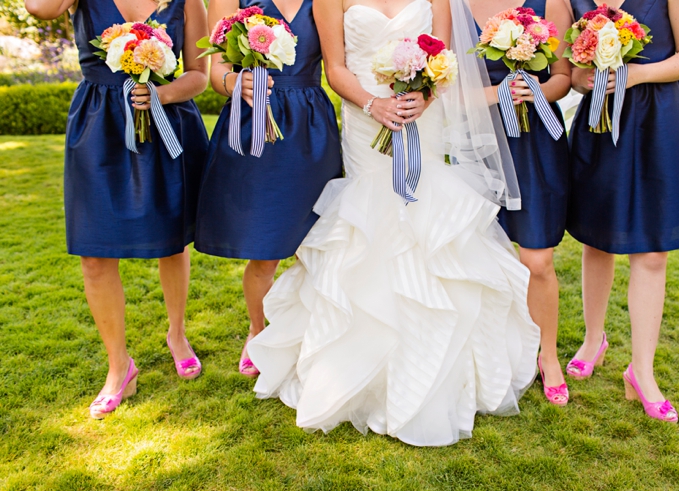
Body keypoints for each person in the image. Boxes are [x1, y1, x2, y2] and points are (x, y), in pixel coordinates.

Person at [247, 0, 541, 447]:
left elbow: (445, 60)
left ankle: (434, 365)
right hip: (366, 124)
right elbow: (336, 68)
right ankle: (361, 367)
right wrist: (373, 105)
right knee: (370, 224)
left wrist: (425, 94)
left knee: (424, 220)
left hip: (424, 117)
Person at [24, 0, 210, 418]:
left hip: (165, 123)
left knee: (172, 241)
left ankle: (177, 336)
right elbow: (39, 9)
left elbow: (199, 76)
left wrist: (159, 94)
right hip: (98, 128)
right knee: (94, 254)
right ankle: (118, 367)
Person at [566, 0, 679, 422]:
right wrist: (586, 78)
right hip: (601, 122)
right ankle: (594, 340)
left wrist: (636, 73)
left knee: (652, 252)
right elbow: (570, 75)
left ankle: (641, 370)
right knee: (597, 237)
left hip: (659, 122)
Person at [194, 0, 343, 377]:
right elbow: (217, 75)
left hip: (310, 125)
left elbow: (338, 65)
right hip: (254, 122)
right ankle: (257, 331)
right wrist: (235, 83)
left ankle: (315, 332)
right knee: (264, 248)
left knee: (319, 240)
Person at [469, 0, 573, 405]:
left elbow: (564, 77)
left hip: (535, 143)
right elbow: (445, 87)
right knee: (475, 257)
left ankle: (548, 355)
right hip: (476, 141)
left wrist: (533, 91)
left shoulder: (552, 3)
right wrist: (497, 93)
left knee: (537, 260)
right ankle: (488, 352)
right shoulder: (452, 5)